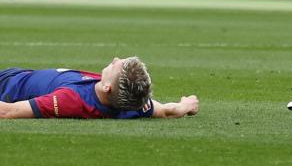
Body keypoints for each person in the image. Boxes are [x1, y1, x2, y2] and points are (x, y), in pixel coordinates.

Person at [0, 56, 198, 119]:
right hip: (20, 73)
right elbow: (165, 110)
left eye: (116, 65)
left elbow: (8, 112)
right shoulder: (134, 105)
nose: (115, 59)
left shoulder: (72, 100)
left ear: (107, 87)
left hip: (8, 85)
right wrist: (186, 105)